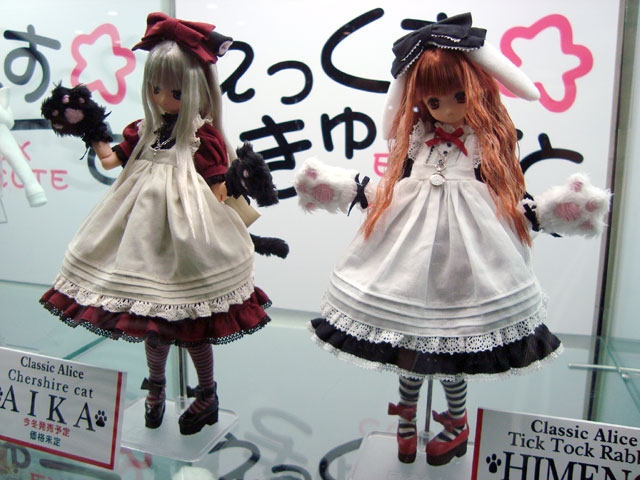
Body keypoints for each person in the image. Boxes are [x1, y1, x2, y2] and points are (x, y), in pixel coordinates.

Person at [296, 12, 576, 466]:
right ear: (420, 101)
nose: (446, 108)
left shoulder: (485, 145)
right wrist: (343, 188)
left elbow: (512, 202)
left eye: (458, 97)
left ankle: (456, 422)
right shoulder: (417, 141)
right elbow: (389, 193)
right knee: (409, 343)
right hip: (408, 258)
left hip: (467, 264)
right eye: (434, 100)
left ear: (478, 92)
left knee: (455, 346)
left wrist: (550, 212)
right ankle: (407, 420)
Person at [40, 12, 271, 436]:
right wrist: (91, 127)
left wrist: (235, 188)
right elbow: (110, 161)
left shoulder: (202, 136)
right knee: (152, 324)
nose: (164, 99)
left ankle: (206, 394)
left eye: (176, 92)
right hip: (139, 241)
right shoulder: (143, 130)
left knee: (193, 326)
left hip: (187, 240)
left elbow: (217, 192)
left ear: (197, 90)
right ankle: (157, 387)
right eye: (156, 89)